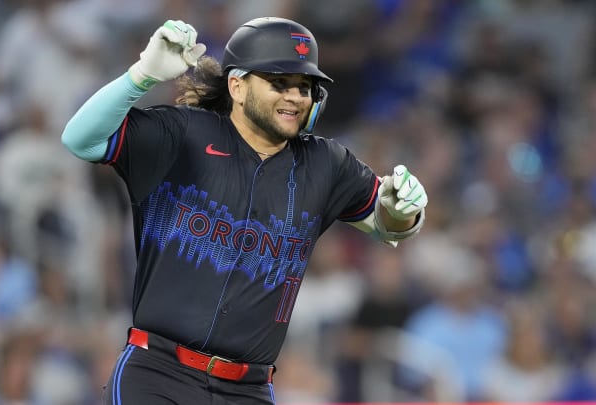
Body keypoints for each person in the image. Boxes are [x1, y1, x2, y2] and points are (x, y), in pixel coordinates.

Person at [61, 17, 428, 405]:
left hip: (248, 389)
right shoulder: (182, 134)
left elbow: (389, 226)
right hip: (158, 374)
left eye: (304, 87)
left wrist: (403, 209)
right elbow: (80, 140)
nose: (294, 97)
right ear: (236, 85)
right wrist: (141, 76)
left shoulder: (325, 163)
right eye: (278, 83)